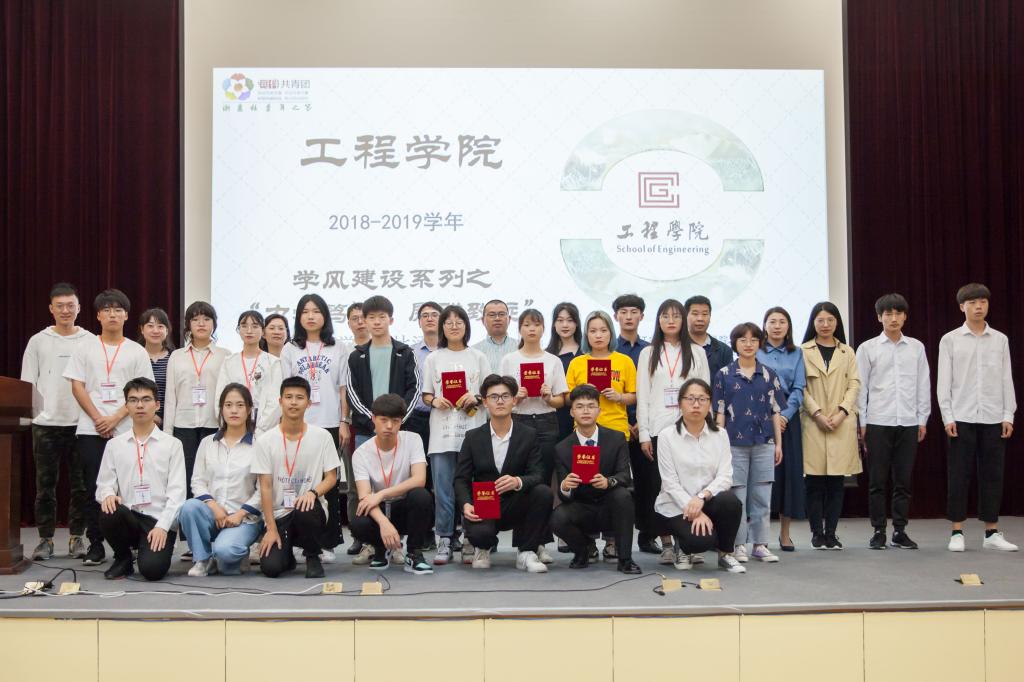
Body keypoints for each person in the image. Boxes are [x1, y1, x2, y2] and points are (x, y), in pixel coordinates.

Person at [65, 288, 154, 566]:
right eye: (107, 310)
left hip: (127, 428)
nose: (112, 314)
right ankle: (95, 544)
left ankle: (128, 544)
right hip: (90, 428)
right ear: (98, 316)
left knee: (129, 485)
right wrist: (97, 418)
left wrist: (115, 418)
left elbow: (144, 390)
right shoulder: (84, 347)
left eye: (118, 310)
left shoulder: (136, 351)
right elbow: (77, 386)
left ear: (126, 315)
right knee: (94, 487)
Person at [937, 283, 1017, 552]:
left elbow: (1006, 378)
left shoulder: (1000, 339)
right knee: (959, 474)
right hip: (961, 416)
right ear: (962, 306)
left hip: (994, 415)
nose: (978, 306)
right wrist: (947, 416)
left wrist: (1008, 414)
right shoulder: (950, 340)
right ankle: (956, 531)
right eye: (972, 303)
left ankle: (991, 532)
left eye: (982, 301)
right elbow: (944, 382)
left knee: (993, 474)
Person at [22, 283, 93, 560]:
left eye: (70, 305)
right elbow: (28, 382)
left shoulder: (90, 340)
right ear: (51, 309)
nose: (65, 310)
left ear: (79, 308)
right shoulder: (38, 341)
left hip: (81, 423)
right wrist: (30, 417)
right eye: (60, 306)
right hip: (45, 424)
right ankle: (45, 540)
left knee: (81, 486)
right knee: (45, 487)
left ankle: (77, 538)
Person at [455, 374, 553, 573]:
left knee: (543, 492)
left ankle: (527, 552)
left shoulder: (528, 434)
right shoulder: (473, 437)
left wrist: (518, 481)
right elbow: (461, 479)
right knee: (481, 535)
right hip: (485, 504)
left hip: (516, 501)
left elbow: (538, 473)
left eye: (505, 396)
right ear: (485, 402)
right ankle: (482, 548)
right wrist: (466, 504)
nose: (500, 401)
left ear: (514, 400)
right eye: (494, 397)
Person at [279, 293, 352, 559]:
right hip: (299, 424)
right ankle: (300, 540)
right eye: (305, 311)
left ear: (325, 316)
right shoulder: (290, 349)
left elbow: (343, 388)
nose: (310, 316)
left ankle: (327, 543)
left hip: (330, 423)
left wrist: (344, 421)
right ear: (298, 317)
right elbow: (285, 389)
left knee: (329, 485)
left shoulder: (338, 347)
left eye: (316, 311)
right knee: (298, 480)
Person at [636, 298, 708, 563]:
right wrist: (644, 433)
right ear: (658, 321)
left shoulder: (697, 353)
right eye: (665, 316)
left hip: (690, 429)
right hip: (658, 429)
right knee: (661, 488)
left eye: (676, 316)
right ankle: (667, 543)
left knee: (690, 485)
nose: (671, 321)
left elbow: (705, 393)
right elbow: (643, 396)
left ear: (684, 320)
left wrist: (707, 429)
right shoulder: (648, 353)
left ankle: (687, 543)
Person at [857, 294, 930, 550]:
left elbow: (923, 384)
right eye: (888, 314)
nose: (893, 318)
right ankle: (878, 531)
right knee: (877, 481)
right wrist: (862, 421)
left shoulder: (916, 347)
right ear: (879, 317)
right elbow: (861, 387)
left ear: (905, 316)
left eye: (898, 313)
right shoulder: (867, 348)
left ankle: (900, 530)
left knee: (903, 480)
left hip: (908, 421)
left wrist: (922, 419)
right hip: (878, 421)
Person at [420, 305, 491, 565]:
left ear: (466, 326)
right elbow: (426, 394)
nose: (453, 325)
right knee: (443, 490)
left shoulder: (478, 357)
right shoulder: (433, 359)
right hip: (442, 434)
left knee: (473, 487)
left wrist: (477, 397)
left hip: (473, 433)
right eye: (448, 321)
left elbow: (489, 393)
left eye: (459, 321)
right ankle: (445, 539)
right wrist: (434, 400)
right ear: (442, 327)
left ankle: (472, 537)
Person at [96, 377, 186, 580]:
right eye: (133, 400)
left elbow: (177, 493)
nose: (139, 405)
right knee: (109, 509)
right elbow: (104, 484)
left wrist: (163, 526)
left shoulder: (172, 445)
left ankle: (149, 551)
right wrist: (108, 494)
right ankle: (123, 558)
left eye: (146, 399)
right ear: (126, 406)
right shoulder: (114, 445)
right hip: (129, 515)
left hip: (157, 519)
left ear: (157, 405)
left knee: (152, 571)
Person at [565, 310, 637, 561]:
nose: (598, 335)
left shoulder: (624, 361)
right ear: (586, 334)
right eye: (593, 330)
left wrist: (619, 397)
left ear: (611, 333)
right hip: (583, 434)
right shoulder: (577, 363)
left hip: (616, 432)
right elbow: (568, 398)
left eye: (603, 330)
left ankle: (612, 541)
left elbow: (634, 395)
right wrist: (584, 393)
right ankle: (588, 541)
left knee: (614, 488)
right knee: (586, 486)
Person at [251, 376, 341, 578]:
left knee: (305, 508)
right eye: (288, 397)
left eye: (299, 398)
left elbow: (331, 477)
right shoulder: (265, 441)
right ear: (280, 401)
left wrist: (313, 492)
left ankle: (312, 556)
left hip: (309, 509)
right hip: (279, 514)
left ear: (309, 403)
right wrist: (270, 528)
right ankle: (287, 556)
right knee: (271, 568)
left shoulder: (322, 436)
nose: (293, 402)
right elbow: (265, 487)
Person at [654, 379, 745, 573]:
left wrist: (702, 497)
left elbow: (725, 476)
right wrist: (695, 509)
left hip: (706, 500)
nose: (696, 404)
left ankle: (725, 554)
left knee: (730, 502)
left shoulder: (720, 435)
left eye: (702, 399)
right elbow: (670, 483)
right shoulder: (667, 436)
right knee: (700, 541)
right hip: (676, 505)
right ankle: (682, 547)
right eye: (690, 399)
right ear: (680, 403)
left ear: (709, 403)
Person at [713, 323, 784, 564]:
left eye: (753, 339)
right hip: (733, 444)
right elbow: (720, 413)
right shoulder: (724, 374)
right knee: (738, 497)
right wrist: (720, 445)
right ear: (735, 343)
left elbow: (776, 411)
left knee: (762, 496)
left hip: (764, 443)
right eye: (743, 340)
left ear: (760, 343)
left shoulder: (769, 374)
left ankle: (760, 544)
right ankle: (739, 544)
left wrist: (778, 444)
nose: (748, 344)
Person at [551, 385, 640, 574]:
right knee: (557, 518)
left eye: (591, 406)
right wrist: (565, 486)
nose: (586, 411)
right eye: (580, 406)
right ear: (571, 412)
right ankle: (582, 551)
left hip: (610, 504)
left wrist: (608, 482)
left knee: (623, 496)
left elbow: (625, 476)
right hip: (582, 506)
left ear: (599, 410)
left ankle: (625, 559)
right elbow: (564, 496)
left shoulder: (616, 439)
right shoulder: (562, 448)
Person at [179, 383, 263, 576]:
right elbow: (197, 481)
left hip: (244, 519)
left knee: (227, 555)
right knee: (189, 507)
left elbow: (263, 490)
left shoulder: (259, 445)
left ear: (249, 409)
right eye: (228, 405)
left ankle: (229, 553)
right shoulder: (207, 443)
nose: (234, 410)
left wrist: (240, 513)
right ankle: (202, 558)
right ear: (221, 409)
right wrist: (213, 506)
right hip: (213, 514)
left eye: (240, 405)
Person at [350, 394, 434, 574]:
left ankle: (414, 553)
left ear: (401, 421)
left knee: (421, 496)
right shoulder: (361, 453)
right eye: (383, 420)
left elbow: (419, 479)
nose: (389, 426)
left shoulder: (413, 439)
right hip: (380, 509)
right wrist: (384, 523)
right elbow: (365, 496)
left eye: (395, 421)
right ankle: (381, 549)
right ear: (373, 419)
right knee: (358, 521)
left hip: (405, 507)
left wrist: (381, 493)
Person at [800, 302, 861, 550]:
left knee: (836, 482)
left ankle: (832, 534)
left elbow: (854, 384)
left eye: (830, 320)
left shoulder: (847, 352)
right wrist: (816, 413)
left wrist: (842, 412)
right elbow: (800, 387)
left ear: (837, 323)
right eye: (820, 320)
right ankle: (817, 533)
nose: (825, 325)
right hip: (813, 423)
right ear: (813, 323)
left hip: (840, 423)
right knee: (814, 482)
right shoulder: (802, 351)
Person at [163, 301, 230, 502]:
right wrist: (167, 433)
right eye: (195, 319)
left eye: (206, 319)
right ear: (188, 324)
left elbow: (228, 395)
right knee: (185, 475)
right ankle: (185, 519)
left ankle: (211, 516)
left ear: (214, 324)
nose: (201, 324)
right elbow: (170, 396)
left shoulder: (225, 355)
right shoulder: (176, 356)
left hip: (214, 424)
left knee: (211, 476)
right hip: (183, 425)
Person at [500, 308, 569, 487]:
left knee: (544, 475)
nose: (532, 329)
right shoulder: (509, 360)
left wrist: (549, 398)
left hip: (547, 421)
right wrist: (516, 398)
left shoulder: (553, 360)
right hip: (518, 421)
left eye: (537, 325)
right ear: (519, 329)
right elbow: (500, 399)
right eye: (527, 324)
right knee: (517, 473)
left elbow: (561, 401)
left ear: (543, 329)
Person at [757, 307, 806, 551]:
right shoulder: (755, 350)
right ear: (764, 326)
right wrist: (771, 416)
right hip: (760, 417)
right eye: (772, 321)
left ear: (788, 327)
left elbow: (799, 388)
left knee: (788, 476)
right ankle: (761, 535)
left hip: (789, 418)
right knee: (762, 476)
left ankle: (785, 534)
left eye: (782, 322)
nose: (777, 326)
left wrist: (784, 416)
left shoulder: (796, 353)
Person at [215, 310, 283, 436]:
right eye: (244, 326)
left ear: (263, 331)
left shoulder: (273, 363)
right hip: (233, 425)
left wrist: (261, 429)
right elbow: (220, 396)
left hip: (263, 429)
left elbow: (275, 401)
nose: (249, 330)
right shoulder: (229, 362)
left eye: (255, 326)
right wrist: (228, 425)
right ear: (238, 330)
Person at [546, 302, 584, 442]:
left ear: (577, 323)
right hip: (556, 416)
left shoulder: (587, 352)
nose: (565, 325)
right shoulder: (546, 355)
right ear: (553, 324)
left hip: (584, 413)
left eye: (570, 320)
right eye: (560, 320)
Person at [138, 307, 174, 425]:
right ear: (142, 329)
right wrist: (151, 416)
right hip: (139, 417)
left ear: (167, 330)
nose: (155, 331)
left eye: (160, 326)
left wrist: (163, 417)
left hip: (170, 419)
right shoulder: (135, 356)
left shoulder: (174, 357)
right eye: (150, 326)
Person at [685, 295, 734, 377]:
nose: (700, 318)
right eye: (695, 314)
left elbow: (729, 381)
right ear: (685, 316)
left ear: (710, 317)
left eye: (704, 314)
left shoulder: (724, 351)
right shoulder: (677, 347)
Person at [473, 299, 518, 373]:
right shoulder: (474, 351)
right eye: (492, 315)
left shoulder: (521, 347)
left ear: (509, 319)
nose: (497, 318)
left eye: (501, 314)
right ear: (483, 320)